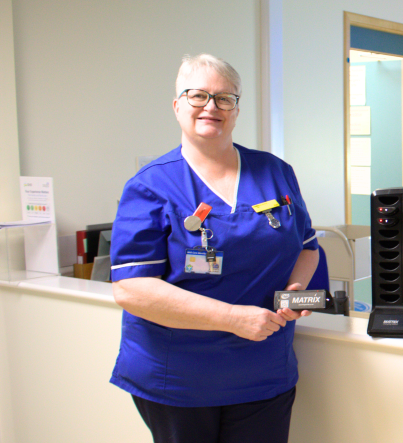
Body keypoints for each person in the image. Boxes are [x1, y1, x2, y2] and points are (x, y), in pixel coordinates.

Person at [109, 53, 320, 443]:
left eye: (225, 98)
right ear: (177, 106)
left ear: (236, 110)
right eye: (198, 95)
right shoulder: (150, 185)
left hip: (264, 369)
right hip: (180, 377)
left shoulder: (275, 171)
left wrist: (295, 289)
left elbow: (308, 248)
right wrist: (232, 318)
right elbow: (131, 288)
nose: (212, 106)